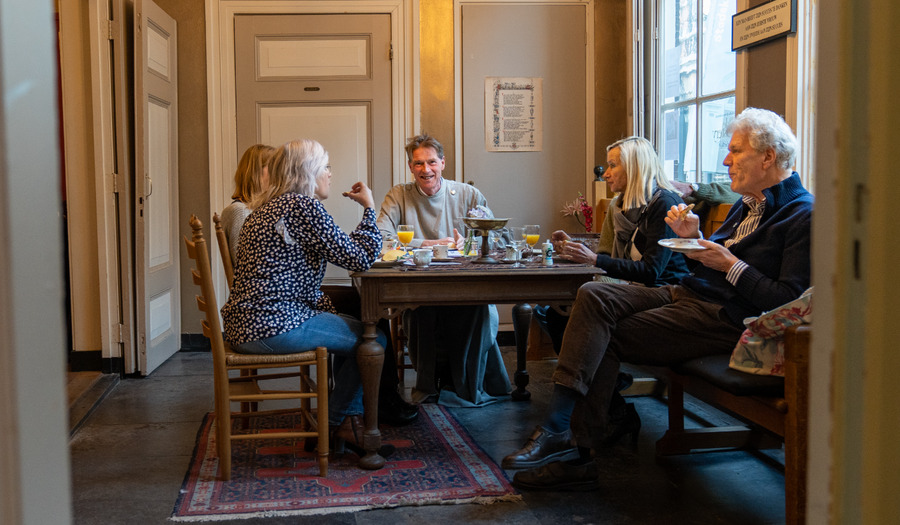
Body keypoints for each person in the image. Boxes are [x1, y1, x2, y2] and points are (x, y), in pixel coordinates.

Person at [503, 107, 814, 491]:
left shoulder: (803, 214)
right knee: (594, 294)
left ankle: (572, 446)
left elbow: (787, 300)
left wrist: (730, 264)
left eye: (736, 151)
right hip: (689, 296)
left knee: (603, 335)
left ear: (768, 156)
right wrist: (695, 237)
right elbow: (711, 260)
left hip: (728, 320)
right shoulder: (747, 204)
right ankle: (562, 435)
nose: (726, 160)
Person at [220, 138, 390, 454]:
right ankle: (332, 427)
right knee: (374, 339)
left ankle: (346, 425)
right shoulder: (302, 206)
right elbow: (361, 259)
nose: (329, 174)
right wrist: (369, 207)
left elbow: (343, 249)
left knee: (351, 328)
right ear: (307, 172)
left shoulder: (267, 207)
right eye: (325, 166)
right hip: (274, 326)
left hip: (246, 324)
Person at [535, 136, 691, 447]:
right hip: (630, 289)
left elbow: (651, 272)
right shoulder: (620, 207)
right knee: (552, 310)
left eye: (613, 165)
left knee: (577, 306)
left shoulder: (665, 203)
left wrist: (592, 259)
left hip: (663, 292)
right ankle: (614, 410)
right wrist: (574, 247)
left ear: (634, 167)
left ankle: (588, 416)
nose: (606, 173)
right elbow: (608, 256)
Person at [376, 133, 512, 406]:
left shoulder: (467, 194)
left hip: (466, 284)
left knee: (475, 307)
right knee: (421, 310)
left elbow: (501, 237)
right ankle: (428, 383)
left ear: (443, 162)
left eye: (431, 162)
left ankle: (466, 383)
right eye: (418, 164)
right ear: (410, 166)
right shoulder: (399, 195)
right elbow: (380, 237)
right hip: (419, 287)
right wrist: (428, 242)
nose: (426, 170)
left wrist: (473, 238)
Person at [219, 144, 275, 262]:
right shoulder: (240, 211)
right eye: (274, 167)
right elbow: (246, 263)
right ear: (256, 172)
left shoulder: (259, 210)